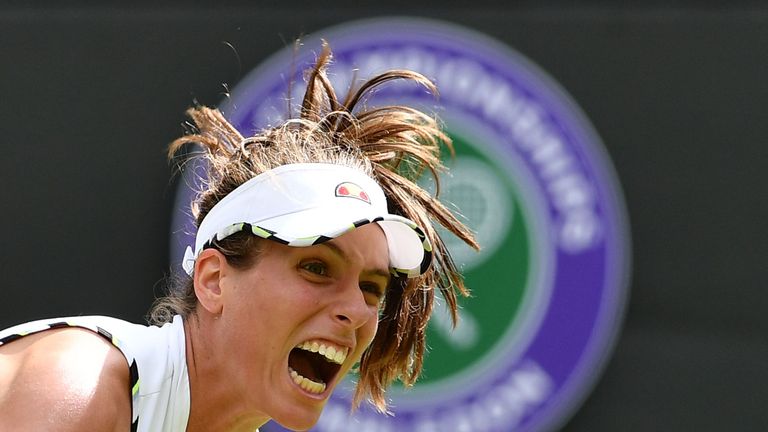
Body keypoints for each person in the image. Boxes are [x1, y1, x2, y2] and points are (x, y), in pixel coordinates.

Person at [0, 43, 477, 432]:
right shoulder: (78, 380)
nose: (356, 310)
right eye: (316, 267)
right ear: (213, 281)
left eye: (371, 288)